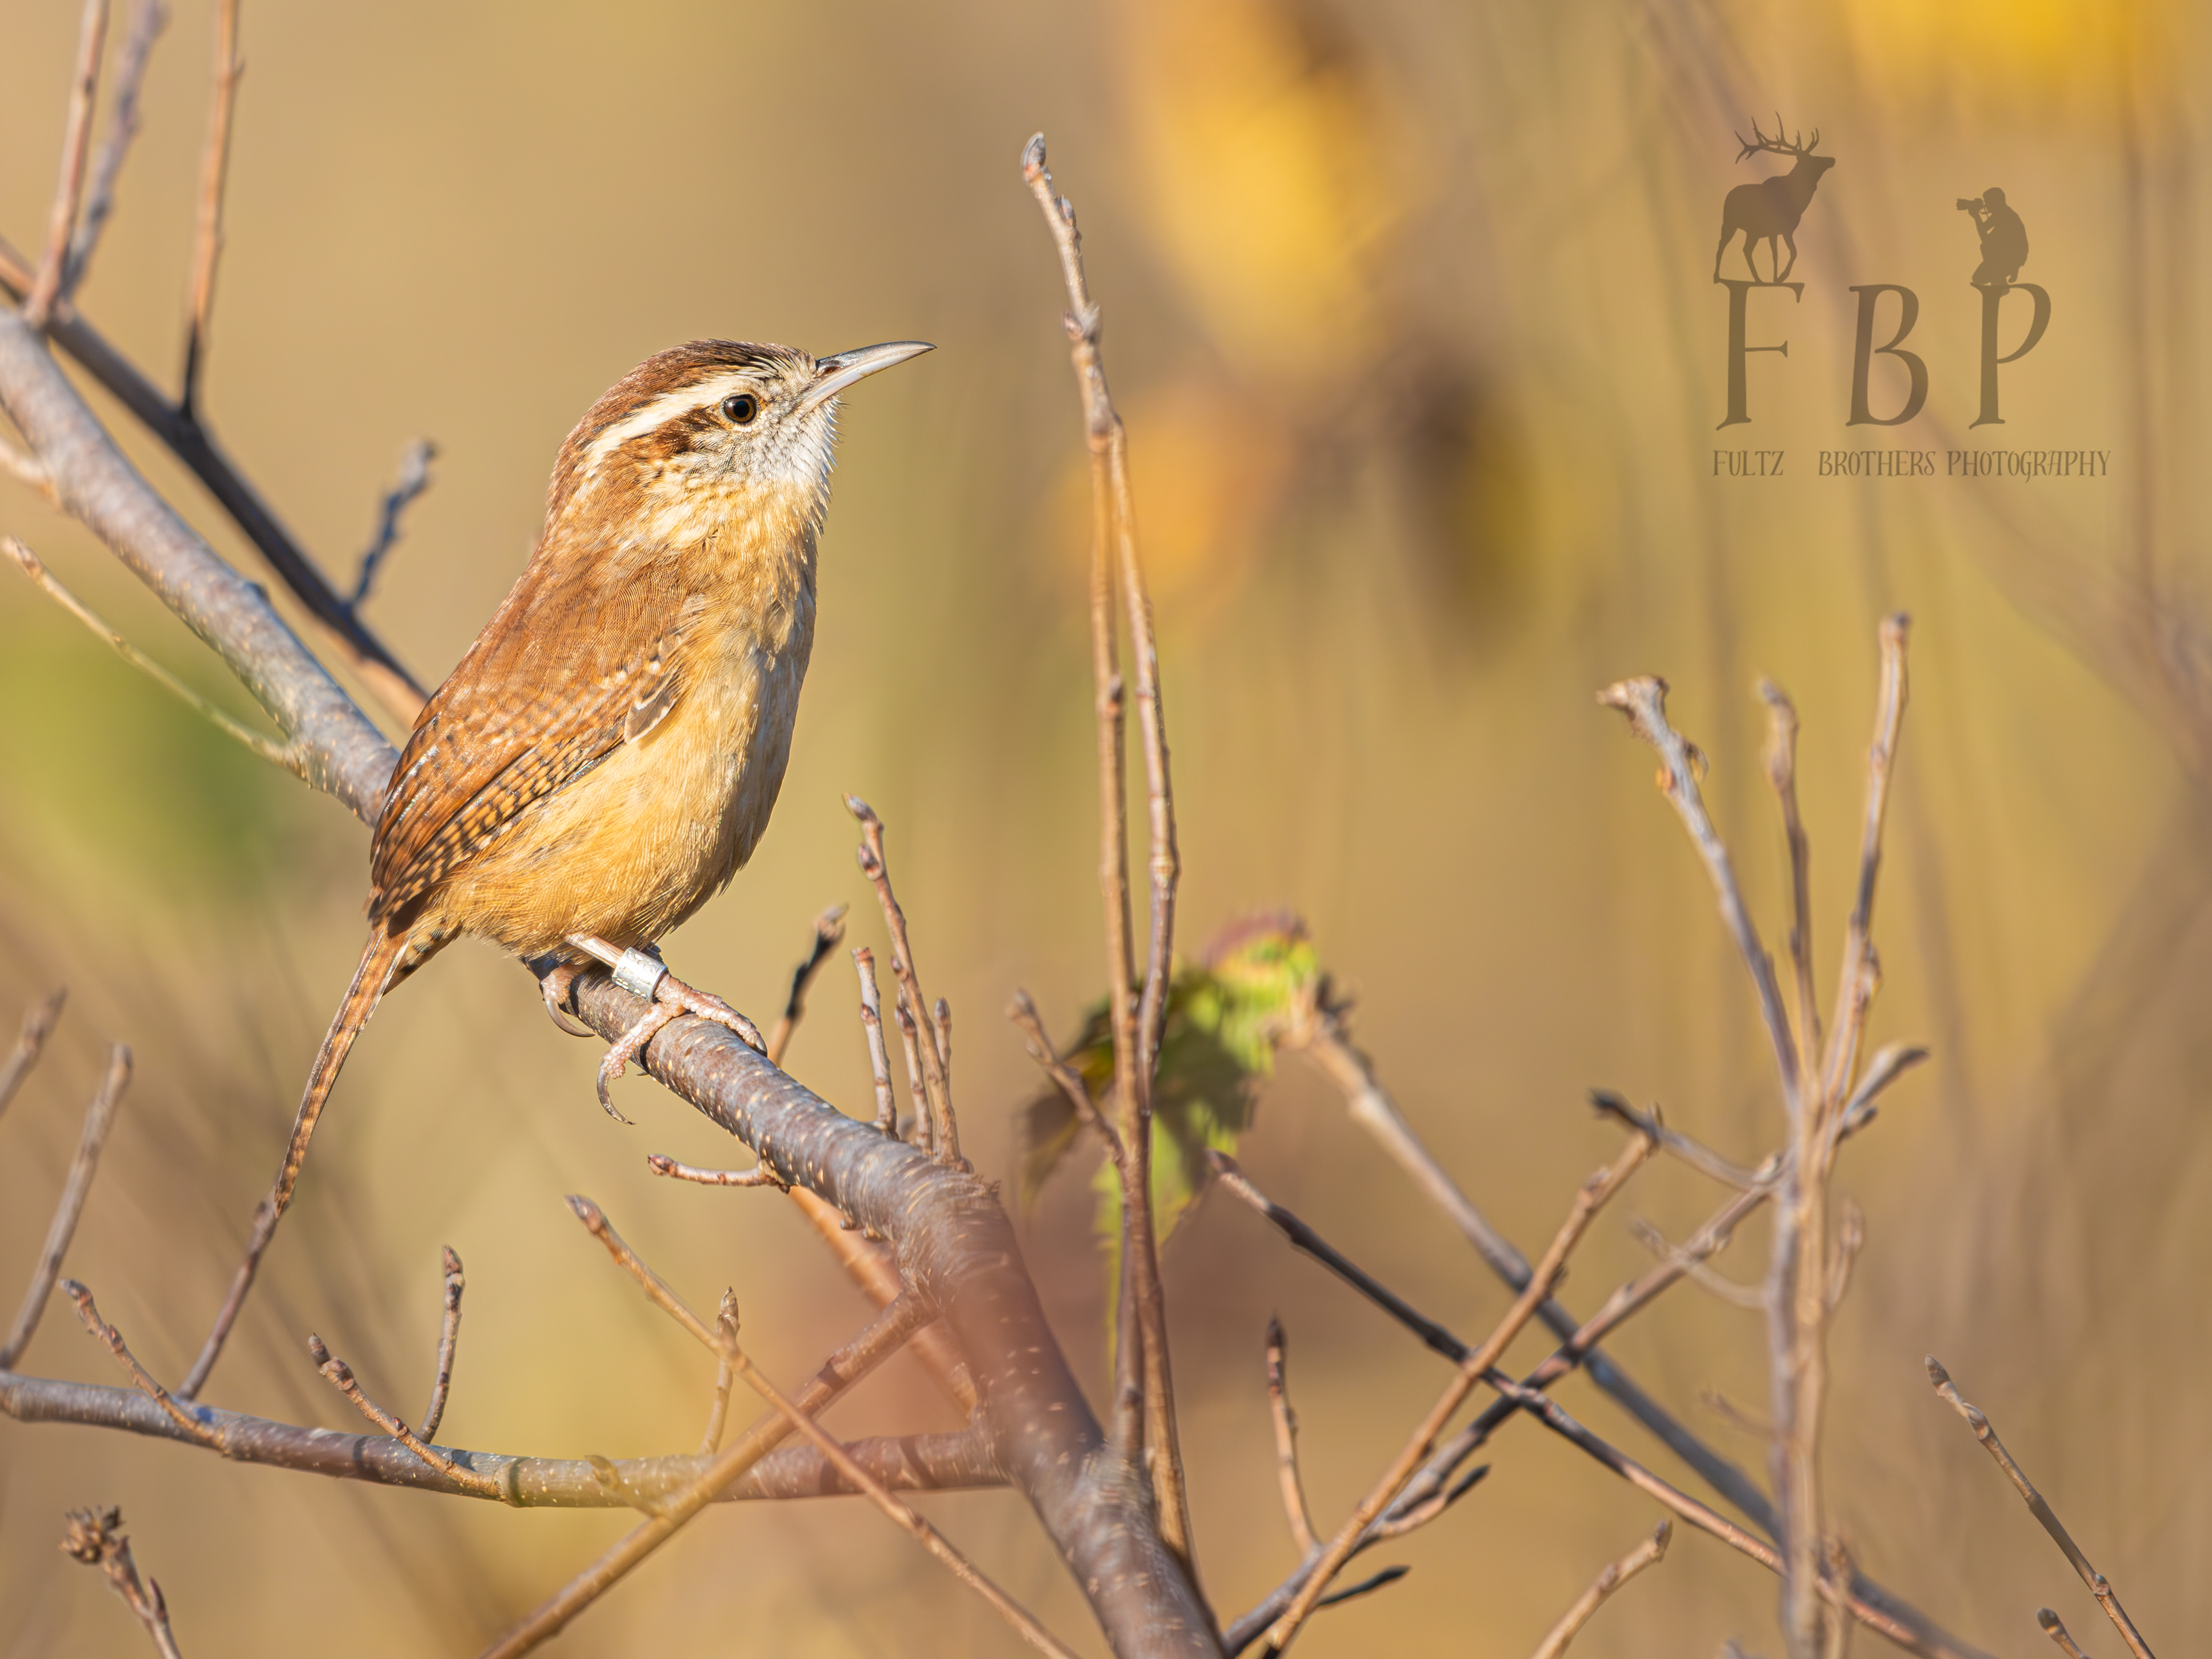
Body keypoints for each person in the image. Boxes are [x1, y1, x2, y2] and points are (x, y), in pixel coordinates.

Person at [1971, 187, 2029, 286]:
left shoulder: (2006, 216)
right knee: (1978, 278)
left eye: (1988, 201)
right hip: (2009, 255)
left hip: (2012, 256)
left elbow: (1986, 239)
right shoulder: (2003, 213)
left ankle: (2000, 283)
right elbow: (1984, 229)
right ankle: (2003, 276)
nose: (1986, 205)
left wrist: (1976, 216)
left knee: (1985, 247)